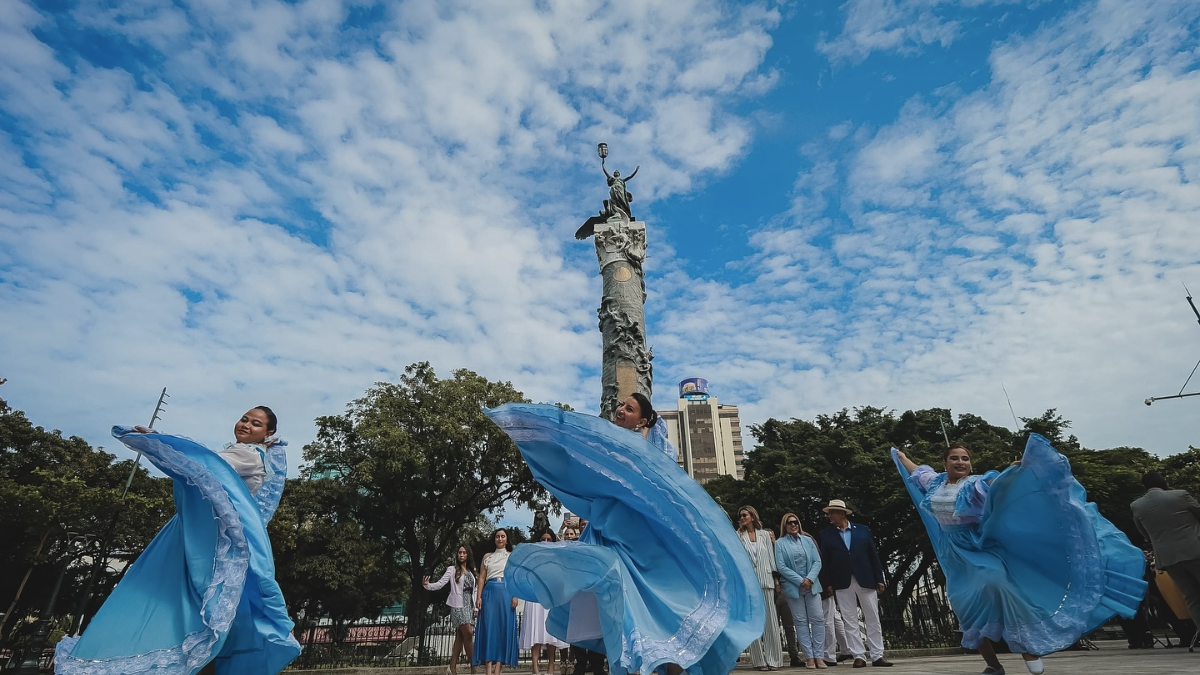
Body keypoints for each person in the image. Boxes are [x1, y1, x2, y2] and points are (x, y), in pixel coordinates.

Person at [487, 400, 763, 675]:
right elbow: (571, 461)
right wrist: (533, 429)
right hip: (609, 539)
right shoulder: (603, 446)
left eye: (630, 409)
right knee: (623, 618)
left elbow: (670, 496)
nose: (621, 409)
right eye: (620, 405)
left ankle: (674, 664)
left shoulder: (653, 452)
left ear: (642, 421)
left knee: (667, 614)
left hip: (643, 544)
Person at [56, 407, 300, 675]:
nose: (246, 425)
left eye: (255, 424)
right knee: (202, 612)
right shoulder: (246, 452)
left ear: (268, 433)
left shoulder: (249, 455)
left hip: (213, 544)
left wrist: (157, 441)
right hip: (203, 537)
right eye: (244, 419)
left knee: (198, 609)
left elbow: (203, 465)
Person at [894, 437, 1147, 675]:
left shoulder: (975, 483)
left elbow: (1000, 484)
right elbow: (917, 470)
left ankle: (1028, 649)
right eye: (955, 458)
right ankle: (993, 667)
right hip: (952, 553)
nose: (960, 462)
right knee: (965, 607)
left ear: (971, 464)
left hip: (977, 545)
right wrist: (901, 455)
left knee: (999, 583)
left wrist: (1017, 471)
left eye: (965, 459)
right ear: (945, 462)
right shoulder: (935, 482)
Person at [815, 500, 891, 668]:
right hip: (841, 581)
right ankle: (859, 655)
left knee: (873, 617)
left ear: (841, 513)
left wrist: (879, 578)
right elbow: (825, 562)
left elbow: (873, 555)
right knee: (849, 619)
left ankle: (877, 655)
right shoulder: (826, 534)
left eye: (832, 512)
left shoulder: (863, 530)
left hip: (865, 578)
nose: (829, 516)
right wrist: (827, 583)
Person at [1130, 472, 1200, 632]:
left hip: (1168, 558)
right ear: (1163, 482)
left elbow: (1144, 534)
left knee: (1192, 597)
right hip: (1195, 550)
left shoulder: (1137, 505)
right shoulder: (1180, 495)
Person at [775, 513, 825, 670]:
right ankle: (809, 657)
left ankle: (819, 656)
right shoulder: (779, 543)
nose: (793, 525)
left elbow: (817, 561)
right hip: (794, 587)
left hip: (812, 585)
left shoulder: (808, 540)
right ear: (785, 525)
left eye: (795, 522)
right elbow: (781, 566)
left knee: (817, 619)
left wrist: (809, 579)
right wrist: (800, 581)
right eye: (789, 523)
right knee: (801, 622)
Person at [737, 506, 782, 671]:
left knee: (771, 621)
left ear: (752, 516)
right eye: (740, 516)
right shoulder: (738, 536)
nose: (742, 518)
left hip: (766, 581)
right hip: (749, 584)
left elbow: (771, 559)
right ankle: (759, 660)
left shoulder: (764, 535)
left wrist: (776, 582)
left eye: (744, 515)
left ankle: (774, 659)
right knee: (753, 621)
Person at [521, 531, 570, 675]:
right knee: (535, 632)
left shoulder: (556, 557)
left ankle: (551, 667)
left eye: (549, 539)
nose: (546, 542)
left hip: (550, 596)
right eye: (543, 539)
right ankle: (535, 668)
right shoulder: (532, 557)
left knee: (551, 634)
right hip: (535, 596)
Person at [424, 545, 477, 675]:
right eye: (459, 552)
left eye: (464, 552)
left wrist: (475, 607)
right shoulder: (452, 569)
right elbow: (441, 583)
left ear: (468, 555)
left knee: (460, 636)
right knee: (468, 634)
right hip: (458, 606)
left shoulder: (471, 571)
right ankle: (473, 667)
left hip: (469, 605)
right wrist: (427, 585)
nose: (461, 555)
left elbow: (474, 591)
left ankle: (452, 668)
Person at [475, 528, 519, 675]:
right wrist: (479, 596)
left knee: (503, 628)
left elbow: (514, 577)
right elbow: (481, 578)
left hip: (506, 592)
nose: (500, 539)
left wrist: (515, 595)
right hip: (490, 592)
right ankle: (488, 668)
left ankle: (498, 668)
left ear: (507, 539)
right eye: (497, 536)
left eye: (502, 536)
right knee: (489, 628)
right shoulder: (487, 556)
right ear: (494, 539)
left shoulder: (512, 556)